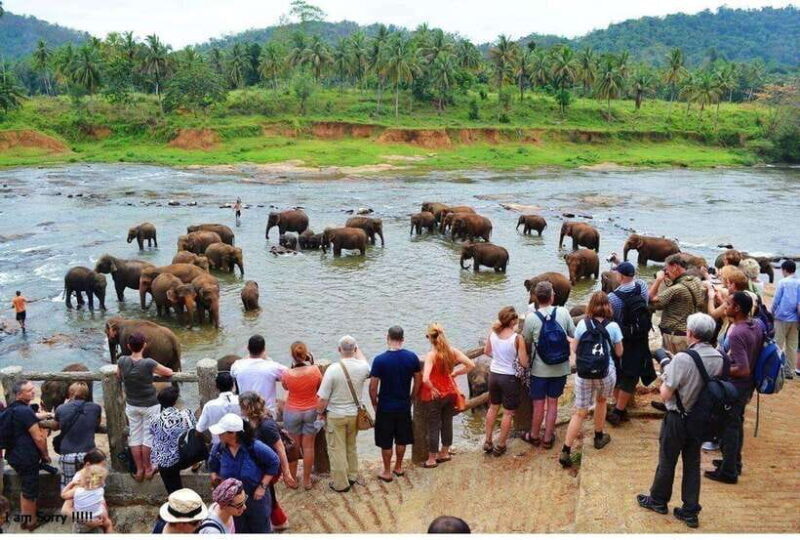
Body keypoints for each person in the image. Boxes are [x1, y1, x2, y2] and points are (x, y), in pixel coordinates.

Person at [637, 313, 725, 529]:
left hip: (678, 416)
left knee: (667, 459)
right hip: (700, 418)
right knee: (692, 463)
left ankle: (658, 500)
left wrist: (666, 368)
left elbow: (666, 394)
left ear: (691, 333)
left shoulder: (683, 358)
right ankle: (690, 511)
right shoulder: (718, 357)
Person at [559, 292, 622, 467]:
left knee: (580, 412)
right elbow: (619, 352)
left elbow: (574, 348)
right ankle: (599, 436)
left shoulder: (582, 325)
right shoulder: (614, 326)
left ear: (591, 306)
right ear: (608, 306)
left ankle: (566, 450)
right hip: (605, 373)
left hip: (584, 373)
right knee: (601, 401)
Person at [706, 292, 763, 484]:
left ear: (737, 308)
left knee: (727, 426)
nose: (725, 306)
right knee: (736, 424)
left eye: (728, 304)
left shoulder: (738, 332)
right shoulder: (755, 325)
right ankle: (733, 462)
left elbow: (742, 368)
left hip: (735, 387)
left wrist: (718, 370)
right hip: (746, 387)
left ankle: (729, 471)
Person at [521, 281, 576, 449]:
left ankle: (534, 435)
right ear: (552, 297)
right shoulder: (564, 312)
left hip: (539, 370)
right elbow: (573, 335)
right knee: (553, 403)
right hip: (560, 368)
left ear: (537, 298)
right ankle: (547, 438)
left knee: (538, 405)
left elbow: (526, 342)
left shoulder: (531, 318)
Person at [116, 332, 174, 482]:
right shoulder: (148, 363)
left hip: (132, 404)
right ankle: (149, 468)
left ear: (129, 346)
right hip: (149, 404)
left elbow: (118, 375)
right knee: (148, 436)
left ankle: (139, 469)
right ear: (144, 345)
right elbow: (168, 372)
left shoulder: (122, 360)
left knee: (135, 436)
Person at [208, 413, 280, 533]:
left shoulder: (255, 447)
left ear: (233, 433)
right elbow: (212, 467)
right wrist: (217, 483)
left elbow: (274, 461)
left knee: (260, 530)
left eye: (221, 432)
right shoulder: (218, 449)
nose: (218, 435)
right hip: (232, 503)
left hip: (255, 499)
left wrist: (262, 486)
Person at [316, 335, 371, 492]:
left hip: (336, 415)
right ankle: (352, 475)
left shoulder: (333, 369)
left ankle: (341, 483)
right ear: (355, 349)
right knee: (351, 445)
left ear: (339, 350)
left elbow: (322, 398)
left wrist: (319, 413)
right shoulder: (363, 368)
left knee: (336, 449)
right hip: (354, 413)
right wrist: (356, 347)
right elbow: (365, 361)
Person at [369, 326, 422, 481]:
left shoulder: (379, 360)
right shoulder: (411, 357)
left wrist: (375, 404)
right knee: (402, 438)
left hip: (385, 406)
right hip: (403, 404)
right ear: (403, 339)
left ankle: (386, 471)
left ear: (388, 338)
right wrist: (412, 397)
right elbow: (418, 380)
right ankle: (398, 467)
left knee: (386, 441)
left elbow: (373, 387)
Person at [238, 391, 297, 530]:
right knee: (268, 493)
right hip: (262, 463)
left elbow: (280, 448)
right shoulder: (253, 421)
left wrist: (286, 472)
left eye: (242, 407)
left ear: (249, 408)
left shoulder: (266, 425)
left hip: (270, 466)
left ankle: (277, 522)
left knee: (264, 492)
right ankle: (279, 521)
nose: (241, 410)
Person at [420, 324, 475, 469]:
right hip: (450, 391)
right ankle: (444, 452)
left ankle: (431, 459)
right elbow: (471, 365)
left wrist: (431, 388)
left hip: (436, 394)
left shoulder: (431, 355)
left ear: (430, 338)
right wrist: (456, 373)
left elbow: (425, 378)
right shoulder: (452, 351)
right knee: (447, 422)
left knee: (433, 425)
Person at [607, 262, 656, 425]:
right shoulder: (641, 286)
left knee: (618, 372)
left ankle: (619, 409)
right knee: (632, 374)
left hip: (622, 339)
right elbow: (646, 301)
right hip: (641, 338)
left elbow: (614, 319)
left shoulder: (613, 297)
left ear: (620, 276)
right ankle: (621, 408)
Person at [2, 380, 51, 531]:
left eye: (32, 389)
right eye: (29, 390)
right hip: (26, 457)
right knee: (30, 490)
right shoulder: (25, 411)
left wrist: (46, 415)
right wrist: (45, 455)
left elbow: (30, 417)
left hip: (14, 454)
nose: (33, 392)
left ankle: (26, 518)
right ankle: (31, 523)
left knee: (26, 488)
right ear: (19, 394)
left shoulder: (14, 408)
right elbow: (38, 438)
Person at [483, 307, 528, 456]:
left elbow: (486, 351)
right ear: (513, 321)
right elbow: (523, 362)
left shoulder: (493, 334)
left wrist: (498, 358)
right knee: (508, 413)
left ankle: (488, 441)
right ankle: (501, 444)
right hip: (509, 378)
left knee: (493, 408)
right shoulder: (517, 338)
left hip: (494, 374)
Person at [281, 341, 323, 490]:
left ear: (292, 355)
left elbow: (285, 387)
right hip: (311, 409)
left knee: (293, 447)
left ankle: (292, 478)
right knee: (308, 447)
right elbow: (319, 387)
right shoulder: (315, 370)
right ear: (307, 354)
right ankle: (307, 481)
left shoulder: (287, 373)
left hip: (292, 411)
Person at [649, 254, 706, 354]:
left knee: (673, 366)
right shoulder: (696, 280)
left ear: (675, 267)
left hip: (674, 335)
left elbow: (650, 298)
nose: (665, 272)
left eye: (667, 268)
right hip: (689, 332)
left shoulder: (676, 289)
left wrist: (658, 280)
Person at [53, 381, 102, 490]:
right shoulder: (96, 407)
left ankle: (71, 507)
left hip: (67, 454)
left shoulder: (61, 408)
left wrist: (66, 403)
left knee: (69, 488)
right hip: (88, 453)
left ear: (70, 393)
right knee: (92, 487)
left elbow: (56, 425)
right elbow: (96, 424)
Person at [149, 386, 196, 494]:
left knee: (173, 489)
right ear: (175, 401)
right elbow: (194, 430)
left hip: (165, 461)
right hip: (185, 457)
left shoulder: (154, 419)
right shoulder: (186, 414)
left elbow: (152, 433)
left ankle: (175, 499)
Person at [231, 335, 288, 414]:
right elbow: (289, 373)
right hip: (267, 412)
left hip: (246, 412)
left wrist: (247, 358)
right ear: (264, 349)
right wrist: (267, 359)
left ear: (248, 348)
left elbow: (232, 373)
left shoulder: (237, 365)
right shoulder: (272, 366)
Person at [64, 463, 114, 533]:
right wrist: (88, 521)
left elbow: (63, 495)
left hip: (91, 520)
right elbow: (65, 510)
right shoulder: (98, 489)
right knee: (108, 523)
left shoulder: (79, 489)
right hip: (91, 520)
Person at [60, 448, 108, 519]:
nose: (103, 470)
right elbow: (65, 508)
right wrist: (88, 521)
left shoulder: (96, 474)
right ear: (88, 465)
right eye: (101, 467)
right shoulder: (81, 480)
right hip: (87, 517)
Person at [772, 260, 800, 379]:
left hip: (782, 317)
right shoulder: (799, 282)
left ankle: (775, 370)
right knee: (792, 346)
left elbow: (776, 300)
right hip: (796, 318)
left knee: (778, 344)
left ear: (784, 270)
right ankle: (790, 372)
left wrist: (771, 312)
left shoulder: (783, 282)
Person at [197, 372, 241, 444]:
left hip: (218, 446)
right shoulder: (241, 401)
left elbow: (199, 430)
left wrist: (209, 442)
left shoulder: (209, 406)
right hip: (239, 444)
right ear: (233, 386)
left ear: (216, 387)